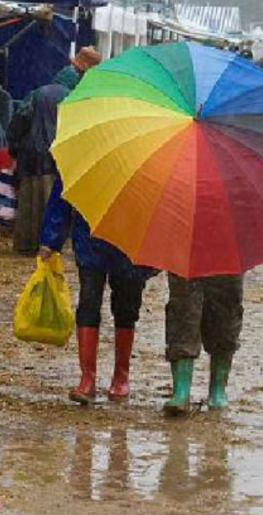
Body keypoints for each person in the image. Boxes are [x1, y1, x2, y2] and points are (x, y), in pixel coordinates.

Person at [39, 176, 153, 404]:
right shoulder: (89, 154)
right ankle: (87, 378)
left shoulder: (147, 159)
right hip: (90, 239)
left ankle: (121, 375)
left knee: (126, 308)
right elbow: (65, 191)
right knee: (89, 302)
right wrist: (50, 240)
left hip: (130, 242)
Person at [7, 48, 102, 254]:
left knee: (27, 202)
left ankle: (24, 245)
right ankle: (45, 246)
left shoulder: (38, 92)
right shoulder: (76, 99)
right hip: (56, 157)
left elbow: (19, 120)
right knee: (50, 204)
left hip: (30, 155)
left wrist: (15, 148)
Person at [164, 273, 244, 414]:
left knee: (226, 310)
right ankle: (181, 390)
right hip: (183, 254)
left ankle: (218, 388)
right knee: (182, 307)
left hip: (226, 256)